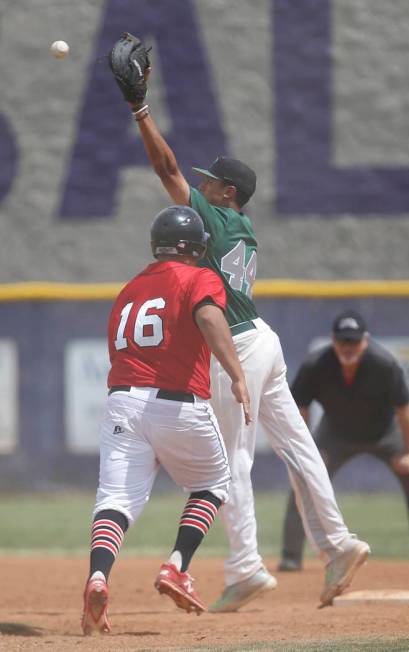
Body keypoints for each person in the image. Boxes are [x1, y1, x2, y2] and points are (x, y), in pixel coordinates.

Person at [109, 49, 370, 612]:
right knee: (299, 448)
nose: (200, 187)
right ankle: (340, 544)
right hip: (264, 339)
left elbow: (166, 170)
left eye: (212, 184)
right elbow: (181, 178)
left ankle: (246, 566)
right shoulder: (243, 226)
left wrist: (140, 110)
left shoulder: (220, 216)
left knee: (231, 460)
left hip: (241, 344)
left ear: (227, 194)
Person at [81, 205, 252, 635]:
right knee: (213, 483)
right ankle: (177, 565)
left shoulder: (129, 288)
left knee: (115, 500)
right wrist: (237, 374)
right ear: (194, 248)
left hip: (122, 401)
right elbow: (210, 315)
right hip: (178, 403)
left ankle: (98, 576)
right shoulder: (198, 276)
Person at [278, 309, 409, 572]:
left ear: (366, 340)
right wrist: (309, 451)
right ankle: (291, 556)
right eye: (343, 341)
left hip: (385, 432)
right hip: (335, 432)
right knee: (304, 477)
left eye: (354, 341)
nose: (349, 347)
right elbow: (298, 409)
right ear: (333, 341)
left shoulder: (384, 364)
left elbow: (405, 410)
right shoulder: (316, 365)